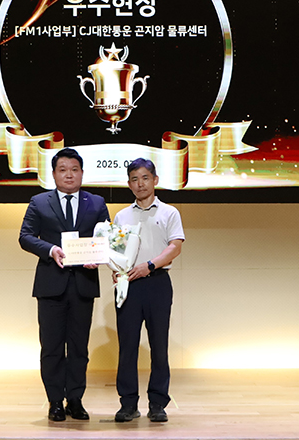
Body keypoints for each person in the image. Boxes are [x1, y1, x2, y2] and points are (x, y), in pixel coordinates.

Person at [19, 148, 110, 422]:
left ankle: (76, 400)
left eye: (74, 169)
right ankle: (55, 401)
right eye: (63, 169)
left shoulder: (96, 203)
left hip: (83, 284)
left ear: (82, 173)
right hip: (51, 285)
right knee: (52, 347)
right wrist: (50, 249)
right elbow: (25, 236)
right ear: (54, 174)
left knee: (79, 347)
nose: (69, 174)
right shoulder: (39, 202)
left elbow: (106, 238)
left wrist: (98, 256)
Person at [112, 158, 184, 423]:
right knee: (127, 347)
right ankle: (128, 404)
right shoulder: (121, 216)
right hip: (128, 285)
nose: (140, 183)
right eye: (134, 179)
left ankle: (157, 403)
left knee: (159, 346)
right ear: (129, 184)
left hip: (157, 283)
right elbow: (116, 249)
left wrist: (150, 265)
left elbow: (175, 247)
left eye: (145, 178)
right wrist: (115, 270)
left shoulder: (169, 213)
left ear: (155, 180)